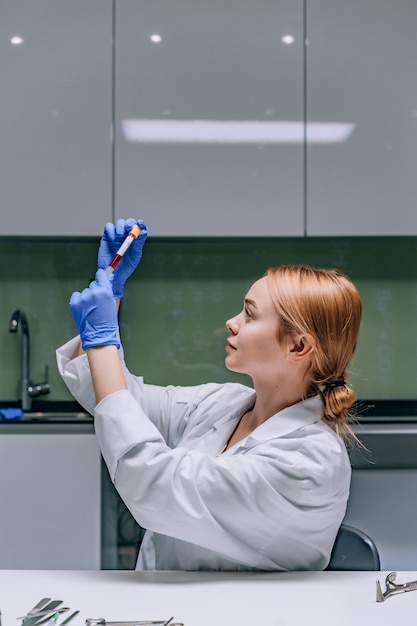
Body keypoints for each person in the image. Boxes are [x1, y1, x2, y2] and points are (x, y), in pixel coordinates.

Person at [56, 218, 362, 571]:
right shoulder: (221, 403)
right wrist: (113, 298)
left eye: (249, 314)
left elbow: (153, 484)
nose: (232, 322)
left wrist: (105, 340)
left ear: (298, 346)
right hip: (163, 609)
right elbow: (118, 401)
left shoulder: (309, 461)